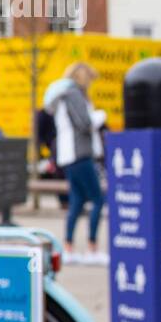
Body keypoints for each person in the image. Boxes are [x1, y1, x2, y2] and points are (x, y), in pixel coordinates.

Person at [44, 62, 107, 264]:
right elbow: (84, 124)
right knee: (97, 199)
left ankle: (69, 247)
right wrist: (99, 116)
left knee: (77, 201)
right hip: (80, 154)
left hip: (69, 156)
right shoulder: (74, 95)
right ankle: (92, 247)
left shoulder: (63, 97)